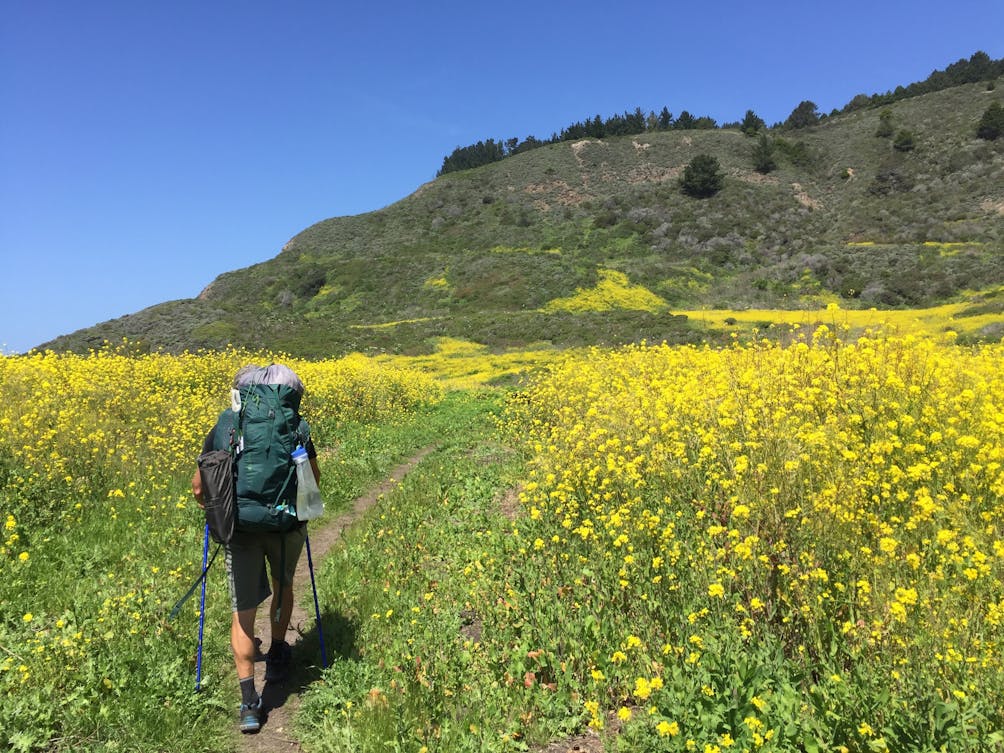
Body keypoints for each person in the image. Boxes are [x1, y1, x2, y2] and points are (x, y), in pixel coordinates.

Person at [191, 364, 321, 733]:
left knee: (243, 610)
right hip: (286, 526)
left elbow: (201, 488)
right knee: (283, 587)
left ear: (242, 392)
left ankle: (249, 703)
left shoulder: (226, 425)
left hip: (240, 529)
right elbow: (312, 480)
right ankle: (279, 652)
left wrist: (215, 511)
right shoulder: (296, 425)